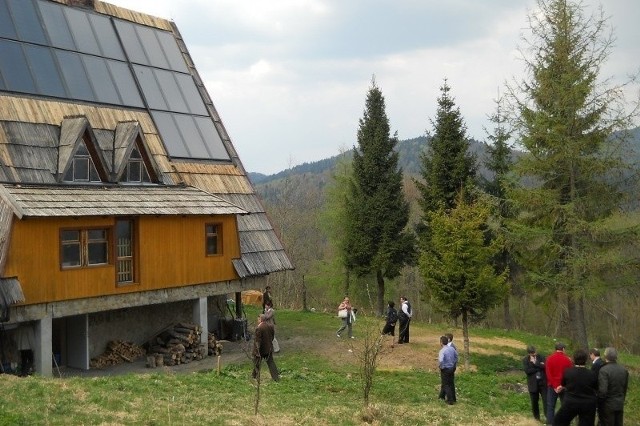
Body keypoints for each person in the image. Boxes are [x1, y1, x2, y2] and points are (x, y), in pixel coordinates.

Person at [553, 348, 597, 426]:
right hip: (587, 403)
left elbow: (563, 384)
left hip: (571, 402)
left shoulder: (567, 372)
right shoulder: (592, 374)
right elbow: (595, 387)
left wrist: (562, 387)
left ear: (573, 359)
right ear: (586, 360)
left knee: (558, 421)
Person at [598, 347, 629, 426]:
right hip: (619, 402)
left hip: (607, 405)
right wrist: (622, 399)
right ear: (616, 357)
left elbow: (603, 391)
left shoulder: (604, 370)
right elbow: (624, 388)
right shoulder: (623, 370)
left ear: (605, 356)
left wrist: (598, 403)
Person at [545, 342, 573, 425]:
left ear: (555, 349)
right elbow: (569, 373)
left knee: (550, 406)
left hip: (552, 386)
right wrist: (562, 385)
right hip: (564, 386)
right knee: (564, 406)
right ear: (563, 349)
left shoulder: (549, 358)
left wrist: (554, 386)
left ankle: (550, 423)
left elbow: (548, 374)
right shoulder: (567, 360)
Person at [523, 345, 547, 422]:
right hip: (533, 384)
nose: (534, 354)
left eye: (534, 353)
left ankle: (548, 418)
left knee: (546, 401)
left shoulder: (542, 357)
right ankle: (537, 419)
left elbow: (545, 367)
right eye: (532, 353)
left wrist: (535, 363)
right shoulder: (525, 360)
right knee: (534, 402)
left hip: (543, 383)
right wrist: (538, 367)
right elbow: (527, 371)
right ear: (529, 353)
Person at [252, 314, 279, 381]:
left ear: (261, 319)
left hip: (260, 349)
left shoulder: (259, 328)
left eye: (258, 319)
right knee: (271, 363)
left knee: (257, 363)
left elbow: (257, 341)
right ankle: (276, 377)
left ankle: (255, 377)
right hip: (269, 348)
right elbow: (272, 337)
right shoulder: (270, 326)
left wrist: (256, 350)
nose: (257, 321)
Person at [438, 335, 457, 405]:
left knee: (446, 384)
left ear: (441, 343)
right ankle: (442, 397)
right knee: (451, 383)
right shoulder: (452, 349)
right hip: (452, 368)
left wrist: (441, 367)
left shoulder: (442, 351)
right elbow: (456, 356)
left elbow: (441, 360)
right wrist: (454, 364)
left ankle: (450, 400)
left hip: (445, 369)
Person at [590, 348, 605, 425]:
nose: (590, 357)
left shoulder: (596, 364)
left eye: (590, 355)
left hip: (597, 390)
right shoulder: (603, 362)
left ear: (592, 354)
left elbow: (594, 378)